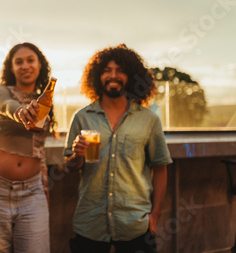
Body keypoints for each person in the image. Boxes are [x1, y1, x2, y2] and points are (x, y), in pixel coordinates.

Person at [64, 44, 172, 253]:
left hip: (135, 224)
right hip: (90, 223)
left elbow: (160, 167)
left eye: (120, 70)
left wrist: (155, 214)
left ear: (131, 76)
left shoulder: (148, 119)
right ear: (97, 77)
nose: (113, 76)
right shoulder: (82, 117)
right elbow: (70, 167)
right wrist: (76, 156)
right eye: (106, 70)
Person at [0, 42, 53, 253]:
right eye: (18, 62)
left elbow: (40, 147)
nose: (25, 66)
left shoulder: (45, 100)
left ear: (39, 65)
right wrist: (20, 111)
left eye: (30, 60)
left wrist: (44, 180)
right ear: (11, 68)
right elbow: (4, 104)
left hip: (33, 191)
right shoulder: (1, 91)